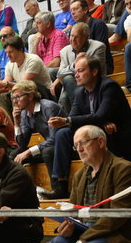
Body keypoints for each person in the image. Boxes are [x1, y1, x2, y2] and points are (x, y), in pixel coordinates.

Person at [43, 55, 131, 199]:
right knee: (62, 133)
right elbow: (76, 117)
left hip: (118, 132)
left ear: (94, 71)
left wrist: (98, 121)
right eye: (75, 71)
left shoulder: (109, 86)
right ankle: (61, 185)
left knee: (71, 125)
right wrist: (100, 122)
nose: (76, 75)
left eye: (80, 71)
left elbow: (99, 115)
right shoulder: (79, 92)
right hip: (98, 128)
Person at [10, 80, 67, 187]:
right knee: (14, 155)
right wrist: (16, 124)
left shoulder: (48, 108)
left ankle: (58, 189)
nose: (15, 101)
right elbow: (22, 144)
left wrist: (28, 152)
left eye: (18, 97)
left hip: (63, 148)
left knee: (47, 151)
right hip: (48, 147)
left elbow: (54, 139)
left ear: (30, 96)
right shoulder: (24, 113)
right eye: (13, 98)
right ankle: (20, 189)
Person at [51, 22, 106, 112]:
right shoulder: (65, 51)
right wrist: (74, 65)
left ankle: (84, 113)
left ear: (86, 37)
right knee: (64, 92)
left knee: (67, 81)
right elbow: (60, 74)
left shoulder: (98, 47)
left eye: (77, 37)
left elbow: (97, 72)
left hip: (91, 83)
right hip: (72, 84)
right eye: (71, 36)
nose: (72, 39)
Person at [70, 0, 114, 74]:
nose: (73, 13)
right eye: (71, 10)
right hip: (79, 64)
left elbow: (99, 49)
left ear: (85, 10)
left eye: (76, 9)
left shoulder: (98, 24)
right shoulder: (74, 28)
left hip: (100, 65)